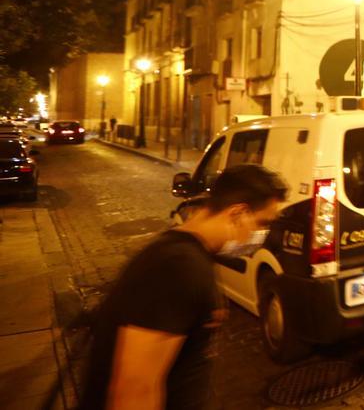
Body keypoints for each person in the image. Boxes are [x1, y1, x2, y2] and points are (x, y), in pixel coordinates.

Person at [80, 164, 287, 410]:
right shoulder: (177, 267)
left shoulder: (188, 253)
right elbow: (135, 390)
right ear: (237, 214)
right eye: (263, 223)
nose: (263, 234)